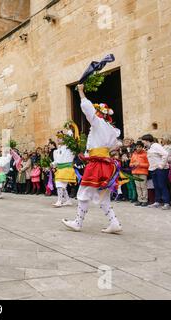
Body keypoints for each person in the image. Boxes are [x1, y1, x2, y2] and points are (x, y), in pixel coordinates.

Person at [62, 84, 122, 234]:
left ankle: (78, 222)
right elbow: (116, 145)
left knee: (83, 193)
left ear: (99, 113)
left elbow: (87, 109)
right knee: (103, 196)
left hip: (97, 164)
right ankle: (114, 223)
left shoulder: (99, 123)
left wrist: (81, 92)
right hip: (105, 163)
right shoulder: (111, 129)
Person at [141, 134, 170, 210]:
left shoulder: (156, 145)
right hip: (153, 169)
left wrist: (161, 165)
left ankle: (166, 203)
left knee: (162, 185)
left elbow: (165, 154)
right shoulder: (149, 148)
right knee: (156, 186)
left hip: (161, 169)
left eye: (144, 142)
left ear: (147, 141)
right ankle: (157, 201)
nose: (143, 144)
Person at [52, 131, 77, 207]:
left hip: (66, 168)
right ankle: (68, 200)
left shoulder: (69, 148)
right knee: (62, 186)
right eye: (58, 138)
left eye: (60, 138)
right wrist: (53, 164)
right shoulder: (57, 150)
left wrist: (69, 131)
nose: (58, 139)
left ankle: (59, 201)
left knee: (60, 185)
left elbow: (71, 139)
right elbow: (57, 160)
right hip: (60, 169)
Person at [130, 141, 150, 206]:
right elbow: (130, 164)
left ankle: (145, 200)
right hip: (135, 172)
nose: (138, 148)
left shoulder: (145, 154)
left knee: (143, 187)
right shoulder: (134, 154)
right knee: (138, 187)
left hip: (143, 172)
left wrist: (140, 164)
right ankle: (139, 200)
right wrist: (132, 164)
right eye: (137, 147)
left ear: (142, 147)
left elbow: (148, 164)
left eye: (140, 147)